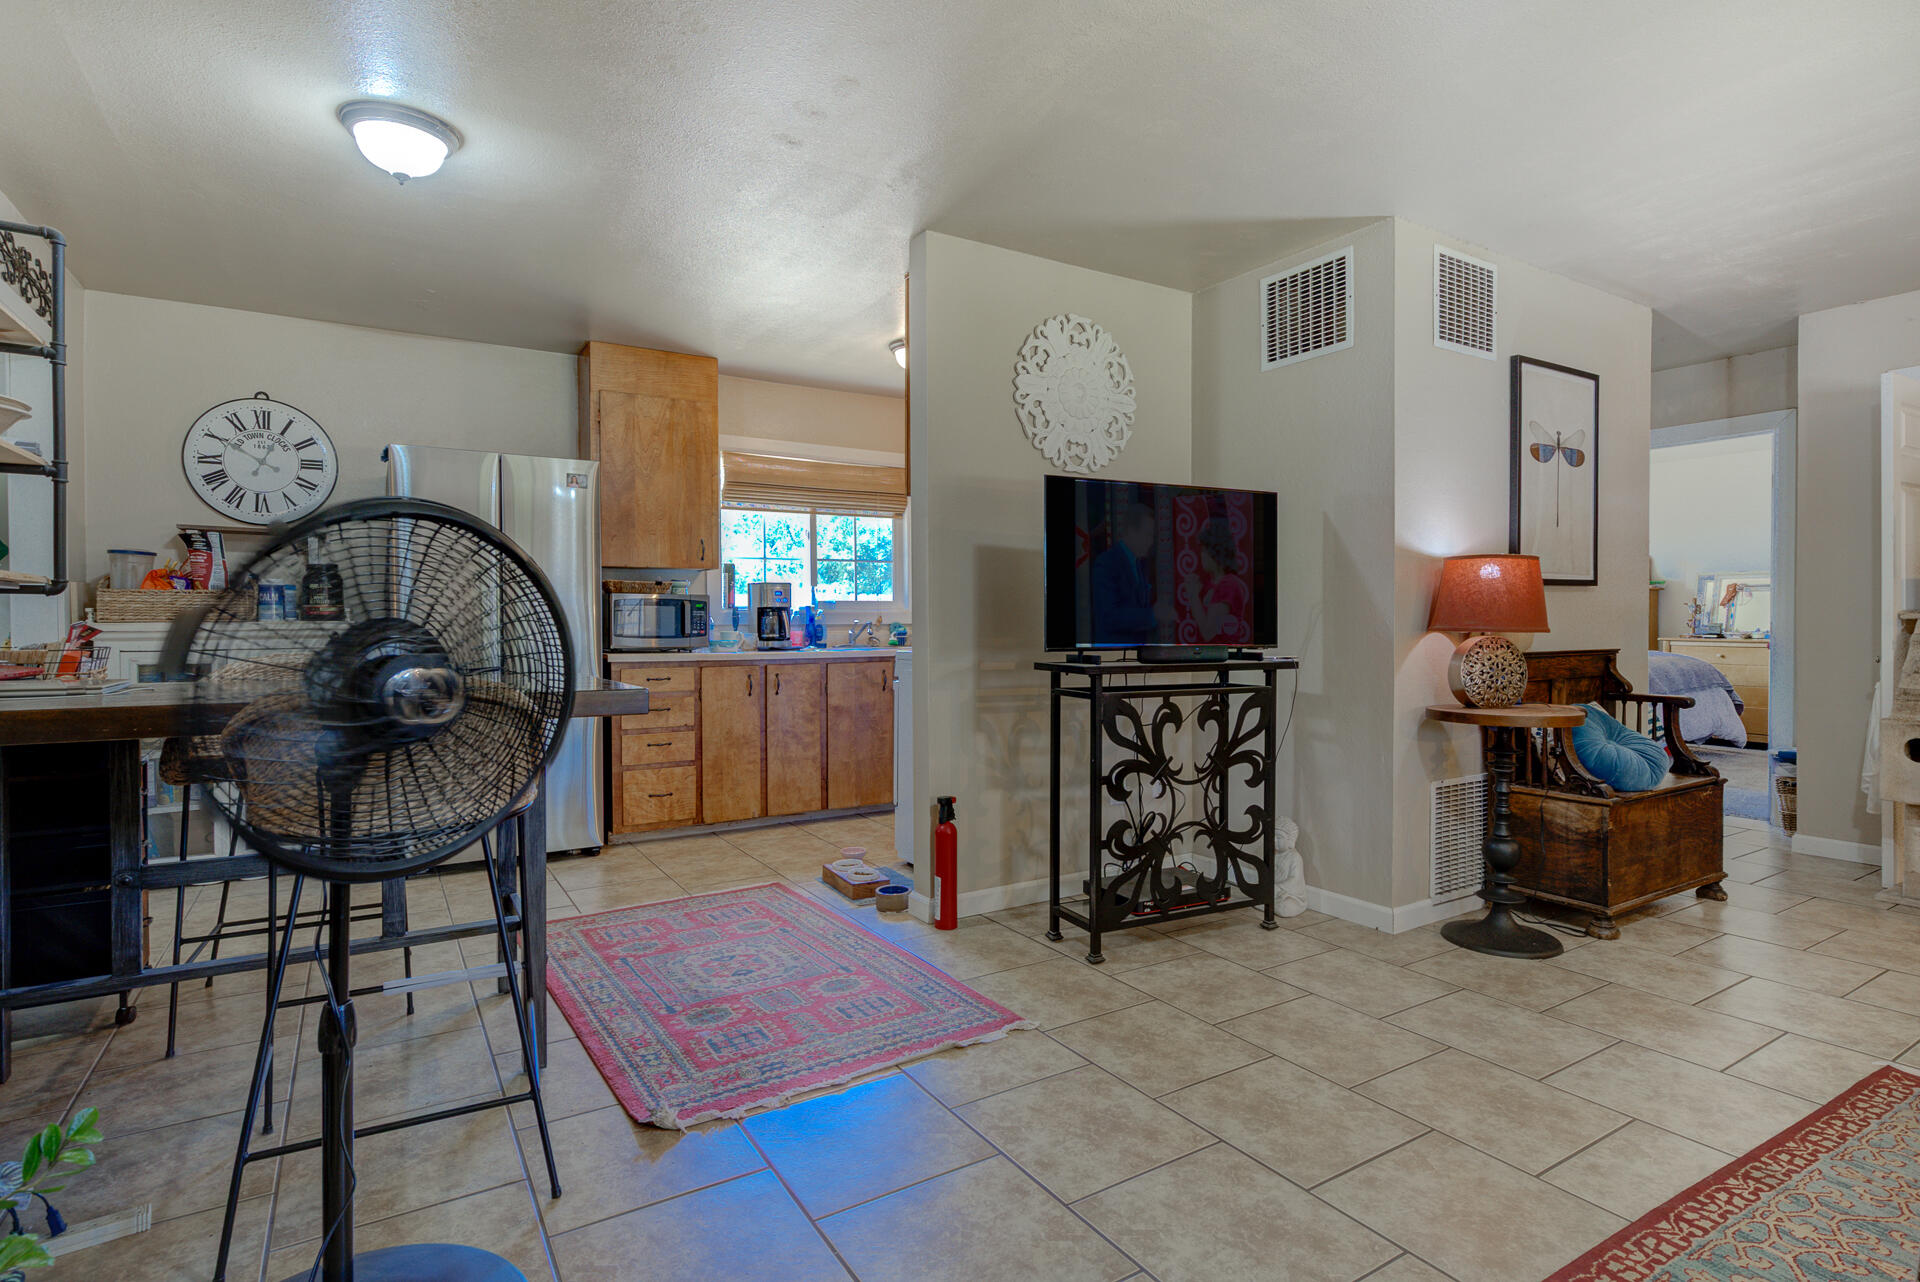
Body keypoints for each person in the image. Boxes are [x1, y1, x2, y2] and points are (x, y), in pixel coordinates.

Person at [1090, 501, 1163, 646]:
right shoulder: (1106, 563)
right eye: (1148, 535)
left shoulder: (1140, 564)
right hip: (1112, 653)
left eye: (1152, 536)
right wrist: (1152, 615)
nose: (1151, 542)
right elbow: (1110, 617)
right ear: (1131, 531)